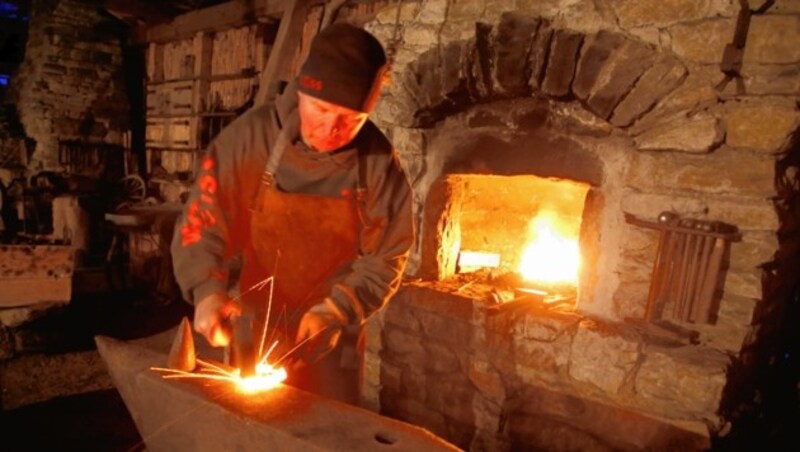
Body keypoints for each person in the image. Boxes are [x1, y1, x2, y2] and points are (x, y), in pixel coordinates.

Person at [171, 23, 413, 405]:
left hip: (333, 334)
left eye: (352, 119)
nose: (333, 129)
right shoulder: (250, 139)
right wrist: (207, 292)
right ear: (302, 90)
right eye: (322, 109)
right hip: (253, 327)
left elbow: (388, 255)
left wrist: (338, 309)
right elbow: (203, 221)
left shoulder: (378, 165)